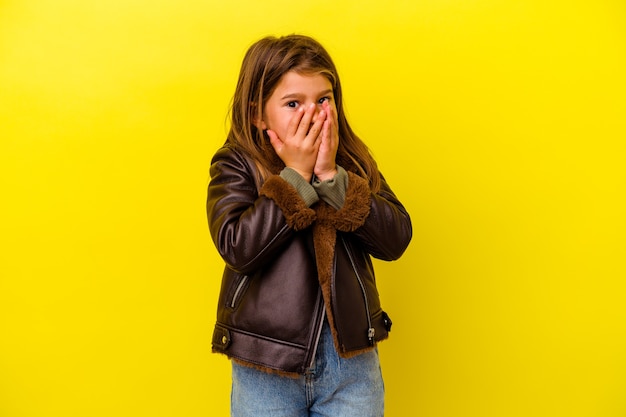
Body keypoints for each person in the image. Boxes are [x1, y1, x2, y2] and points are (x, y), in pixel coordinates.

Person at [206, 34, 412, 417]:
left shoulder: (350, 160)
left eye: (323, 99)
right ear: (258, 114)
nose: (313, 114)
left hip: (350, 365)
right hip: (266, 365)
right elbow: (237, 247)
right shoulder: (236, 163)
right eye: (292, 103)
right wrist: (296, 178)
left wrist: (333, 178)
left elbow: (396, 238)